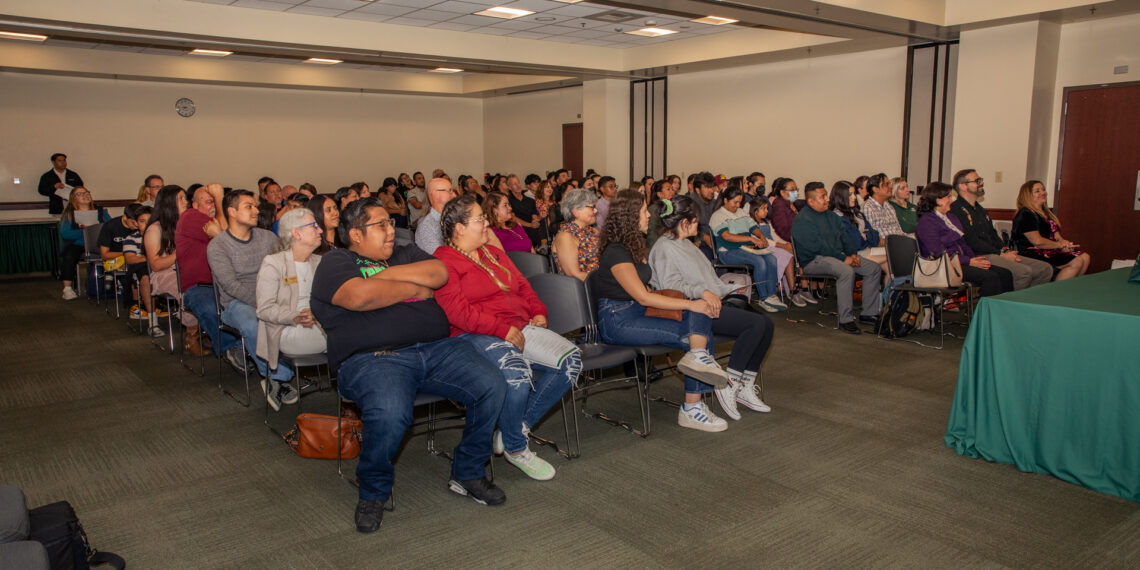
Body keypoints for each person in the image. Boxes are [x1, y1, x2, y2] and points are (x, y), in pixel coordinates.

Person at [310, 198, 507, 533]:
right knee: (389, 410)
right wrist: (414, 288)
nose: (392, 230)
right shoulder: (337, 262)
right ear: (355, 234)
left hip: (437, 349)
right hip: (374, 358)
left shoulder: (405, 252)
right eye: (382, 225)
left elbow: (438, 273)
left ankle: (468, 472)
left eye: (391, 223)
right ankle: (373, 491)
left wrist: (383, 277)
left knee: (492, 384)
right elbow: (359, 297)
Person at [433, 194, 578, 480]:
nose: (486, 223)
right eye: (479, 219)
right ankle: (515, 448)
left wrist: (538, 310)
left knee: (570, 361)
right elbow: (457, 312)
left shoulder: (492, 252)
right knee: (516, 373)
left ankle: (516, 426)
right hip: (474, 333)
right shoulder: (443, 261)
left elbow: (522, 285)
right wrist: (502, 330)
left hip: (519, 326)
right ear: (459, 228)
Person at [593, 190, 731, 432]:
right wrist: (689, 303)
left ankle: (697, 370)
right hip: (618, 321)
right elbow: (643, 296)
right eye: (644, 211)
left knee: (701, 315)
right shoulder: (616, 251)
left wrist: (695, 302)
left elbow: (646, 291)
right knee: (697, 332)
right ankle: (692, 406)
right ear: (629, 217)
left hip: (637, 312)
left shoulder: (635, 244)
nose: (649, 216)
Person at [648, 195, 775, 420]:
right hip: (692, 310)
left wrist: (724, 289)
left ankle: (744, 384)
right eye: (695, 221)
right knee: (755, 325)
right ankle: (729, 383)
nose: (698, 226)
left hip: (709, 302)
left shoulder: (683, 243)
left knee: (767, 324)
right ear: (683, 222)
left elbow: (706, 279)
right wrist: (705, 292)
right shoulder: (664, 248)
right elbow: (671, 286)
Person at [207, 189, 298, 409]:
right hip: (237, 304)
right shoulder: (218, 246)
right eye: (249, 206)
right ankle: (278, 377)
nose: (256, 210)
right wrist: (264, 303)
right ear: (232, 211)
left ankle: (281, 372)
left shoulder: (267, 238)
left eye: (256, 206)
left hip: (272, 296)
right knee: (253, 323)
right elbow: (230, 286)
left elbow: (287, 266)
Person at [176, 183, 251, 372]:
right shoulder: (190, 217)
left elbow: (228, 238)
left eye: (214, 201)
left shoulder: (227, 220)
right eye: (209, 201)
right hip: (200, 286)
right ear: (194, 205)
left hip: (230, 285)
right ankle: (233, 349)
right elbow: (228, 240)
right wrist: (220, 200)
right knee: (211, 309)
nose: (213, 205)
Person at [791, 184, 883, 335]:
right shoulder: (802, 220)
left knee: (873, 269)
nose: (827, 199)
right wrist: (843, 258)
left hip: (835, 256)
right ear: (811, 201)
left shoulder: (831, 216)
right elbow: (819, 247)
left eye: (826, 195)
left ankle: (869, 313)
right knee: (845, 270)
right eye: (822, 197)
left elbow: (845, 238)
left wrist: (853, 254)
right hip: (813, 261)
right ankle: (845, 320)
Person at [950, 170, 1053, 290]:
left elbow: (993, 235)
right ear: (963, 186)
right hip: (980, 255)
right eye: (977, 181)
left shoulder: (979, 209)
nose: (981, 183)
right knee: (1024, 272)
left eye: (981, 179)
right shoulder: (956, 210)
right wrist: (1001, 254)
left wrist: (1006, 250)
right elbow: (971, 241)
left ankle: (1029, 301)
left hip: (995, 253)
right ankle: (1010, 305)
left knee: (1045, 269)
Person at [255, 209, 326, 381]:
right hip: (287, 328)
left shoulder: (321, 262)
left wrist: (319, 313)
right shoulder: (274, 263)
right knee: (351, 335)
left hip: (320, 322)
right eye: (314, 226)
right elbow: (264, 309)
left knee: (353, 330)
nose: (320, 230)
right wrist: (297, 316)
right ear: (296, 233)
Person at [916, 182, 1015, 297]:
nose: (952, 200)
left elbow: (963, 243)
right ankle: (984, 312)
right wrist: (968, 261)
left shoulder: (951, 218)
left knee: (1005, 273)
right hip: (943, 265)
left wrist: (973, 259)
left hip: (961, 261)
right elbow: (938, 252)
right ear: (938, 200)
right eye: (948, 196)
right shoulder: (927, 221)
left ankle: (1004, 310)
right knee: (990, 277)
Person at [145, 185, 209, 353]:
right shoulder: (155, 229)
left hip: (189, 268)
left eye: (184, 198)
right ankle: (192, 337)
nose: (185, 202)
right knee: (190, 291)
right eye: (180, 198)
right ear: (168, 203)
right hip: (166, 274)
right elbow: (155, 265)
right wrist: (182, 252)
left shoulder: (188, 224)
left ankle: (209, 329)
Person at [709, 187, 787, 312]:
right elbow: (727, 236)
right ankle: (764, 298)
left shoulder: (741, 212)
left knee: (771, 258)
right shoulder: (718, 216)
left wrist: (761, 236)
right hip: (728, 251)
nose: (737, 205)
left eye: (739, 202)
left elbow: (753, 227)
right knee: (759, 262)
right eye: (735, 202)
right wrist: (751, 239)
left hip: (747, 248)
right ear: (725, 200)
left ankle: (772, 295)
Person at [1011, 180, 1090, 281]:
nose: (1043, 193)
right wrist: (1059, 245)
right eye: (1037, 191)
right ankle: (1057, 291)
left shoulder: (1046, 214)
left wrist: (1065, 245)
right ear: (1028, 195)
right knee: (1076, 261)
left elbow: (1058, 238)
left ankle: (1071, 288)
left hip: (1049, 249)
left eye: (1043, 190)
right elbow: (1037, 241)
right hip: (1032, 252)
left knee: (1085, 257)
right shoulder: (1025, 214)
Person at [98, 203, 157, 326]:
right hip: (127, 260)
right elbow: (105, 254)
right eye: (139, 221)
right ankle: (137, 304)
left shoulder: (159, 234)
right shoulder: (116, 229)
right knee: (140, 271)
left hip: (150, 263)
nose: (137, 225)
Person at [747, 199, 808, 306]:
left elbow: (775, 237)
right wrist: (782, 246)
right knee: (787, 255)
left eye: (767, 208)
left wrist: (787, 244)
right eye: (763, 209)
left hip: (774, 246)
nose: (766, 211)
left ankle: (792, 288)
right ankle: (792, 289)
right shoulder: (751, 224)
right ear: (755, 210)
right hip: (764, 248)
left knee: (790, 253)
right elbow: (765, 240)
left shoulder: (766, 222)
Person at [58, 186, 111, 300]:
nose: (85, 195)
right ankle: (67, 288)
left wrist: (95, 229)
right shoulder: (69, 214)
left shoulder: (100, 211)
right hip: (79, 243)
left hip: (99, 243)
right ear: (74, 198)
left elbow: (110, 227)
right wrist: (86, 231)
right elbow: (65, 233)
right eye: (80, 194)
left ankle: (111, 285)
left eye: (86, 192)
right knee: (70, 255)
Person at [829, 181, 887, 273]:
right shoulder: (838, 217)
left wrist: (865, 236)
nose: (854, 197)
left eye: (854, 193)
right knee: (891, 259)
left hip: (867, 250)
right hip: (853, 255)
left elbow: (875, 234)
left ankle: (889, 287)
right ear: (840, 197)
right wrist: (866, 236)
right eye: (850, 194)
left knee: (890, 266)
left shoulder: (857, 213)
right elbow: (856, 244)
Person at [552, 188, 599, 281]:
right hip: (584, 289)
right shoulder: (566, 236)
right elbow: (573, 274)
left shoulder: (591, 230)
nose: (596, 211)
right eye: (592, 207)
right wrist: (609, 281)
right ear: (576, 211)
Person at [861, 173, 911, 239]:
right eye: (886, 184)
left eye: (889, 183)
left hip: (898, 243)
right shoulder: (868, 207)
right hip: (883, 247)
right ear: (875, 189)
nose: (890, 186)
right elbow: (873, 238)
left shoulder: (889, 206)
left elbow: (899, 231)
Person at [414, 177, 456, 254]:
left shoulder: (452, 218)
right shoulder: (426, 227)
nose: (454, 195)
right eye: (449, 191)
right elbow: (440, 259)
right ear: (435, 195)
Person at [506, 175, 544, 248]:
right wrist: (530, 225)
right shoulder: (508, 201)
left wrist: (535, 220)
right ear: (509, 187)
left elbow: (534, 215)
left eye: (518, 183)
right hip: (519, 226)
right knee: (532, 231)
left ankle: (543, 246)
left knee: (542, 222)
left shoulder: (530, 200)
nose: (518, 186)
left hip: (531, 225)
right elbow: (513, 218)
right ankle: (539, 248)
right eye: (514, 184)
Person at [689, 172, 719, 260]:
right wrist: (703, 237)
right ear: (698, 190)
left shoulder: (715, 203)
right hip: (697, 241)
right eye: (707, 187)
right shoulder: (690, 204)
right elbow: (687, 227)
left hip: (714, 239)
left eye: (712, 187)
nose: (711, 190)